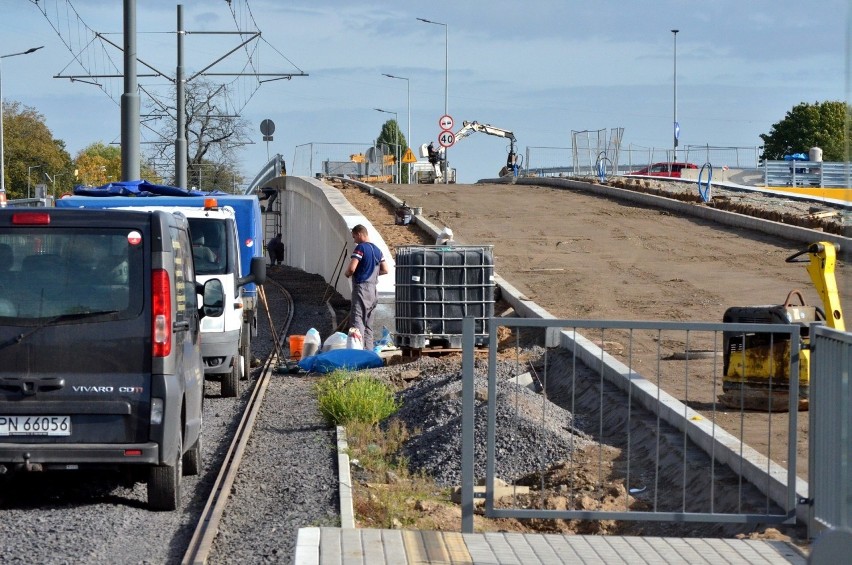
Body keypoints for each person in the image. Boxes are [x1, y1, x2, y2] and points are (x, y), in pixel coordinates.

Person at [344, 224, 388, 351]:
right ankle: (369, 354)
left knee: (357, 322)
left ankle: (356, 355)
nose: (354, 240)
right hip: (373, 291)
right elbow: (385, 270)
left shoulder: (360, 248)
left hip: (362, 289)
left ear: (359, 234)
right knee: (369, 325)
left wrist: (347, 273)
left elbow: (352, 268)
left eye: (354, 237)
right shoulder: (378, 250)